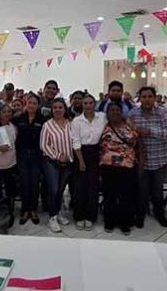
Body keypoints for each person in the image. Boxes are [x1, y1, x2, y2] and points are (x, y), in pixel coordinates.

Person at [129, 86, 167, 228]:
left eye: (150, 96)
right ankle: (140, 214)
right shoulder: (133, 113)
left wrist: (150, 131)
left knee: (157, 190)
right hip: (141, 160)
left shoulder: (162, 112)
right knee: (141, 190)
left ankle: (159, 213)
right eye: (144, 97)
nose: (147, 99)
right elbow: (128, 131)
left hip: (160, 159)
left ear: (154, 98)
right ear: (140, 98)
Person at [100, 102, 139, 235]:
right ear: (108, 112)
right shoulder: (103, 125)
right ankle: (109, 221)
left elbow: (136, 141)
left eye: (117, 110)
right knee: (109, 194)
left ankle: (125, 222)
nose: (115, 112)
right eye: (112, 110)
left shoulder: (129, 125)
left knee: (126, 195)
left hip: (126, 165)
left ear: (122, 112)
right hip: (108, 165)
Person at [71, 94, 106, 230]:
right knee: (79, 186)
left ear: (95, 104)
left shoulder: (101, 117)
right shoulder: (77, 121)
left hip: (96, 153)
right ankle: (79, 216)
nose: (88, 105)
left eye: (91, 103)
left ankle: (90, 216)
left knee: (93, 186)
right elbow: (75, 141)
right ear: (82, 105)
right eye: (85, 103)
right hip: (80, 153)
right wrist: (81, 161)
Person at [40, 98, 73, 233]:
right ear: (51, 110)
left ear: (65, 109)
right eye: (55, 108)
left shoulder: (71, 124)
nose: (58, 110)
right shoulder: (47, 125)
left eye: (60, 107)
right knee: (53, 189)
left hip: (68, 162)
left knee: (60, 190)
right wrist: (57, 156)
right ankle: (52, 217)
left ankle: (58, 212)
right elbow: (43, 145)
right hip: (51, 161)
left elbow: (74, 141)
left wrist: (68, 157)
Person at [13, 93, 44, 225]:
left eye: (34, 103)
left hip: (37, 155)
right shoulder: (19, 118)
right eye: (29, 103)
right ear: (26, 104)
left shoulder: (43, 120)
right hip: (22, 155)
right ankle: (25, 210)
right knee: (24, 183)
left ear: (38, 106)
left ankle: (33, 210)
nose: (31, 105)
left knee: (35, 183)